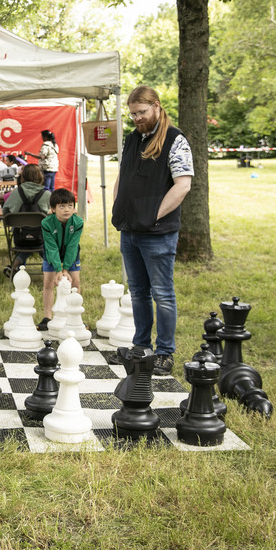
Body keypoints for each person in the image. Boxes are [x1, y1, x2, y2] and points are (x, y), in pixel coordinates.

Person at [112, 85, 193, 376]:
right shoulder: (133, 138)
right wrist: (117, 205)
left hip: (157, 233)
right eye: (132, 114)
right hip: (129, 230)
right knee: (138, 292)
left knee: (163, 294)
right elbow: (123, 173)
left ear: (156, 106)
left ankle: (164, 352)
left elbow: (183, 185)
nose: (137, 118)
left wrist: (152, 216)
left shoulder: (175, 139)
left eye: (142, 112)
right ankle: (141, 347)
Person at [38, 189, 83, 331]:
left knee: (75, 281)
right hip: (51, 253)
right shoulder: (46, 223)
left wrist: (65, 270)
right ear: (53, 209)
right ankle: (48, 316)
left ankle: (74, 315)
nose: (66, 210)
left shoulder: (78, 222)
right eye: (61, 206)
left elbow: (72, 246)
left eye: (70, 206)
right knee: (48, 282)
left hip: (71, 252)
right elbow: (51, 248)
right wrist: (58, 270)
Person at [1, 164, 50, 277]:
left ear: (22, 177)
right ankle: (49, 267)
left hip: (21, 238)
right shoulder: (47, 195)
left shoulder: (15, 193)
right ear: (40, 177)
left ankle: (14, 265)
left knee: (28, 243)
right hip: (42, 238)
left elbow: (5, 211)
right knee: (46, 242)